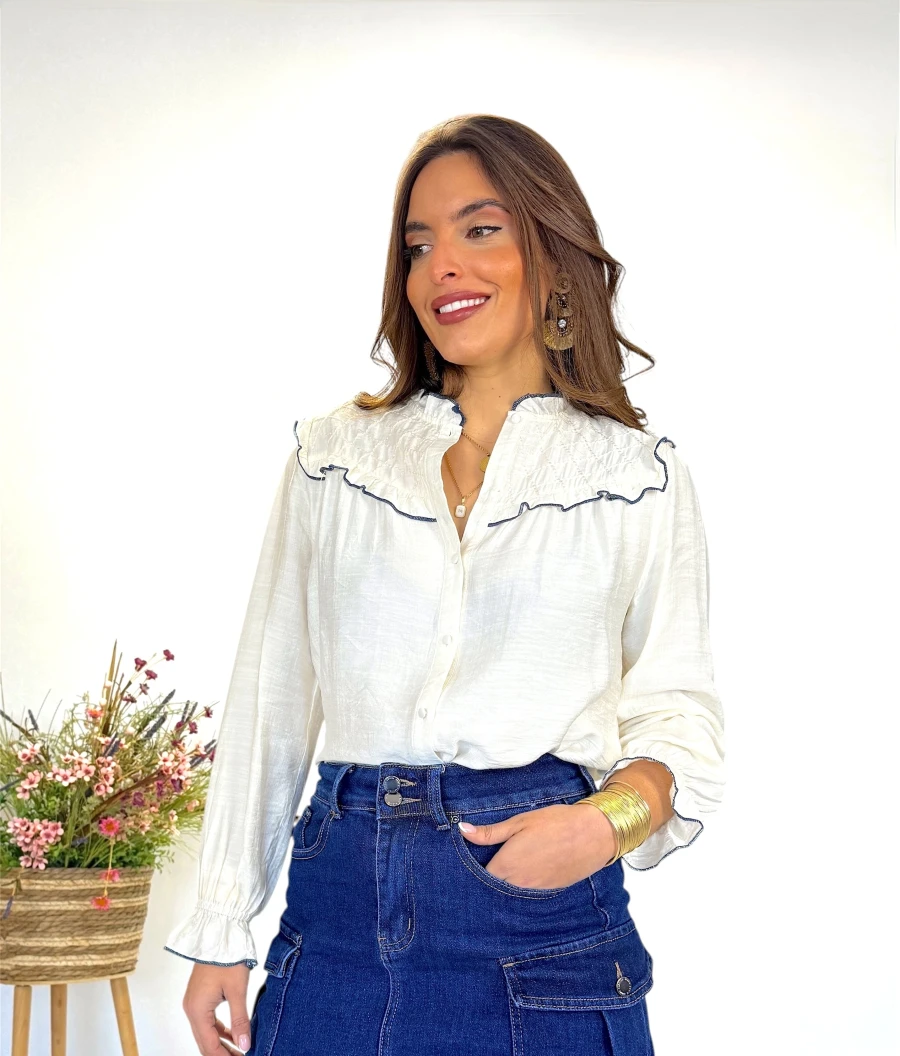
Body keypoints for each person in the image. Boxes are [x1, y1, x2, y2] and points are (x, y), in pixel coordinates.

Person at [167, 113, 726, 1056]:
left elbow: (679, 717)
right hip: (336, 918)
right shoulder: (336, 458)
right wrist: (223, 923)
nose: (442, 268)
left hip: (541, 926)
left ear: (552, 255)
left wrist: (601, 826)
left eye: (481, 229)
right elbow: (273, 694)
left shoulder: (637, 478)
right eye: (419, 244)